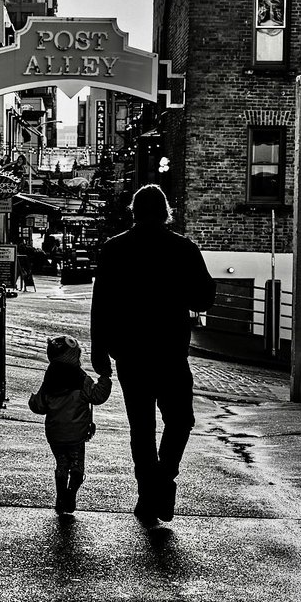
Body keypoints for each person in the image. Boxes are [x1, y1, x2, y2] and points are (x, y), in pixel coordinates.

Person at [90, 184, 215, 525]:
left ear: (134, 211)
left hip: (130, 352)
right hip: (170, 350)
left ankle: (149, 493)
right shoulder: (182, 248)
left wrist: (98, 352)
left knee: (141, 428)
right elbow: (204, 298)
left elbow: (101, 305)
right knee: (180, 419)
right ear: (165, 212)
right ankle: (163, 481)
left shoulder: (115, 249)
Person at [29, 335, 111, 515]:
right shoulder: (82, 380)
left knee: (61, 464)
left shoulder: (50, 381)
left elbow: (40, 406)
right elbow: (97, 396)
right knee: (76, 466)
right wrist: (105, 379)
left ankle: (60, 496)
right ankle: (71, 493)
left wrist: (32, 401)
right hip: (76, 435)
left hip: (56, 434)